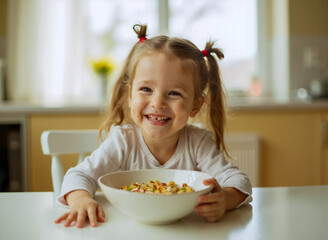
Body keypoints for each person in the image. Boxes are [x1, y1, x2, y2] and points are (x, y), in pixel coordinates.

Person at [54, 24, 252, 228]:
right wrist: (81, 199)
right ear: (130, 95)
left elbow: (238, 180)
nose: (158, 103)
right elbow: (79, 175)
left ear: (195, 106)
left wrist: (224, 200)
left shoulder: (198, 142)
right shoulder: (123, 140)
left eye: (174, 93)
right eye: (146, 89)